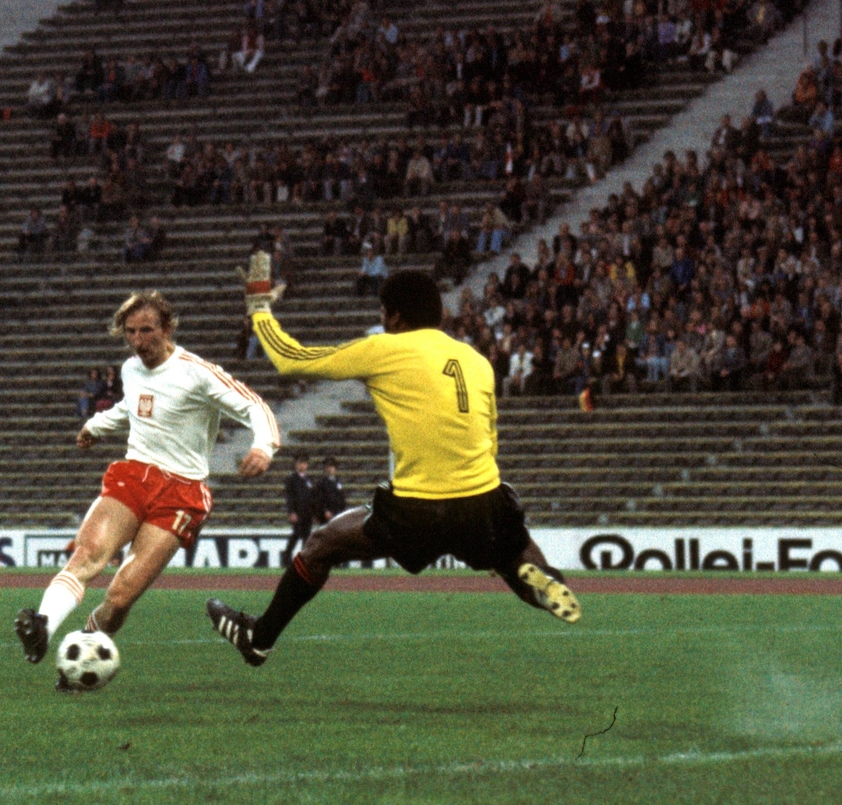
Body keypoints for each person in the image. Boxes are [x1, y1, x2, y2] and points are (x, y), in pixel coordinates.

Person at [206, 264, 579, 667]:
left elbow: (289, 358)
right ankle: (542, 579)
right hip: (483, 497)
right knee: (511, 553)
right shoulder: (476, 361)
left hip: (416, 508)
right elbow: (489, 436)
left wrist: (259, 308)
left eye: (383, 314)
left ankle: (259, 639)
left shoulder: (385, 349)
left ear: (395, 316)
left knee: (322, 545)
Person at [14, 291, 280, 670]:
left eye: (147, 331)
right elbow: (132, 406)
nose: (139, 341)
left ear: (167, 328)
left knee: (121, 597)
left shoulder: (197, 372)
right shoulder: (131, 369)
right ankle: (43, 626)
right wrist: (95, 425)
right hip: (135, 475)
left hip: (181, 493)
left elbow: (254, 405)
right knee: (89, 554)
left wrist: (264, 447)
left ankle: (86, 650)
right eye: (131, 333)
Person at [282, 454, 315, 560]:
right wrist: (291, 512)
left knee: (307, 536)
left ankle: (303, 558)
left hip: (308, 513)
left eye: (304, 463)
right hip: (297, 512)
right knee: (296, 534)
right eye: (300, 463)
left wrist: (314, 512)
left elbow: (312, 497)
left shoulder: (309, 480)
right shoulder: (291, 479)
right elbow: (289, 497)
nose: (302, 466)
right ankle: (286, 556)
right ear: (296, 465)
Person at [314, 456, 347, 525]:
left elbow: (342, 498)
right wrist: (325, 511)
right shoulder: (321, 483)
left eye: (332, 467)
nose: (330, 469)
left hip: (337, 513)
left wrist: (343, 511)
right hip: (326, 515)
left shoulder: (338, 482)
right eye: (328, 467)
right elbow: (319, 499)